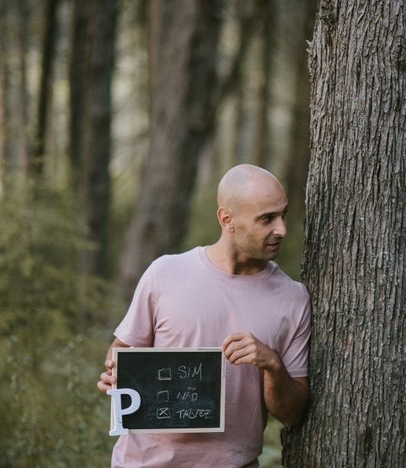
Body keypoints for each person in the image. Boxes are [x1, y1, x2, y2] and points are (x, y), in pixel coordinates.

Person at [97, 164, 310, 468]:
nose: (282, 230)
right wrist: (115, 373)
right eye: (267, 219)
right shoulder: (165, 273)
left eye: (283, 214)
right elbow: (121, 351)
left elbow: (293, 414)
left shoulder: (293, 298)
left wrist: (272, 364)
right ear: (227, 219)